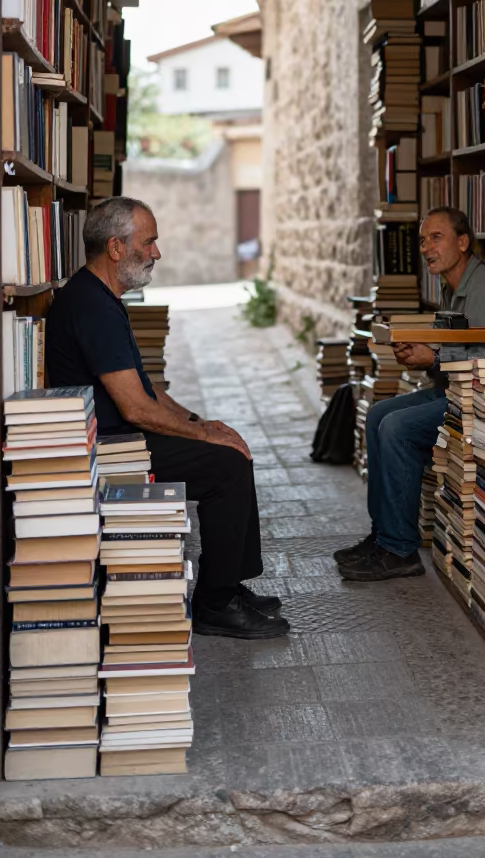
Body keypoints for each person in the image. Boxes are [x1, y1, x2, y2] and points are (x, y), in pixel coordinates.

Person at [45, 196, 289, 640]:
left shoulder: (100, 295)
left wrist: (200, 422)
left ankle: (228, 585)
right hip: (110, 452)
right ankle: (216, 603)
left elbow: (146, 386)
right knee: (228, 466)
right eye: (150, 241)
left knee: (228, 451)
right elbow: (136, 409)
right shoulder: (92, 306)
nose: (157, 252)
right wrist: (203, 436)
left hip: (121, 435)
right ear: (116, 248)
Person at [335, 206, 485, 583]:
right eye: (422, 240)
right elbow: (458, 349)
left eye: (437, 237)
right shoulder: (454, 286)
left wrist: (432, 356)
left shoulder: (484, 286)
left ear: (463, 242)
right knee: (376, 415)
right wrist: (421, 355)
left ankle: (400, 549)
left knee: (396, 428)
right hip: (455, 390)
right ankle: (383, 535)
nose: (426, 247)